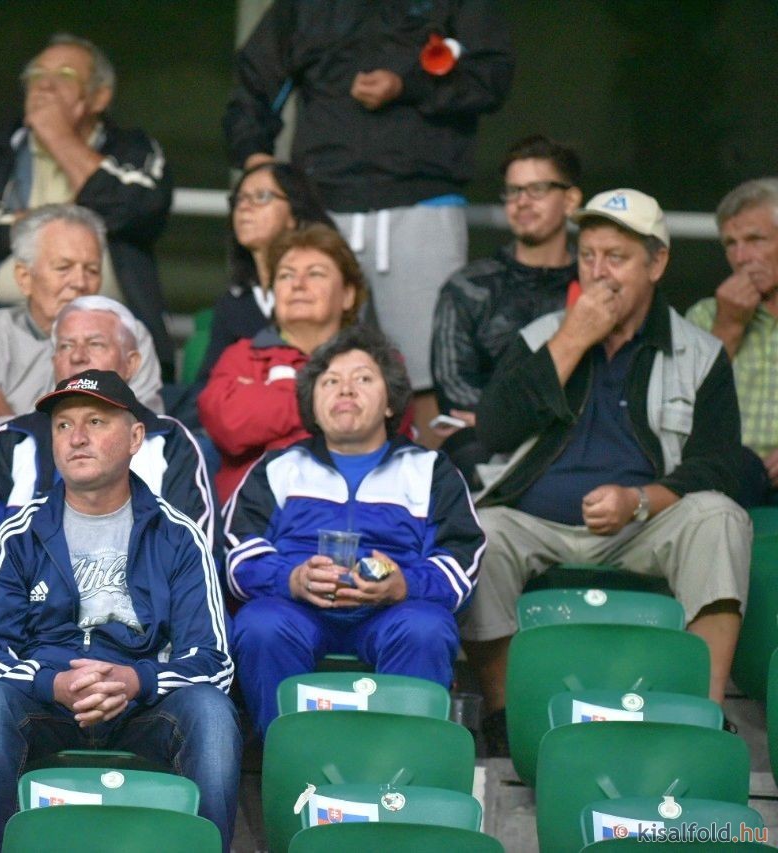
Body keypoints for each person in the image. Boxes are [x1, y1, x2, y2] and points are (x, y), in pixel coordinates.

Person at [461, 189, 751, 751]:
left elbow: (722, 465)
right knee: (481, 532)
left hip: (643, 525)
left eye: (616, 257)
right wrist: (573, 339)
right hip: (537, 521)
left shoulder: (699, 353)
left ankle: (703, 711)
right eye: (588, 255)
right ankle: (505, 713)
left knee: (720, 518)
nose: (598, 272)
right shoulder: (542, 337)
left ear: (656, 264)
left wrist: (639, 501)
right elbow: (493, 430)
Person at [0, 370, 238, 852]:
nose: (77, 437)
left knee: (212, 713)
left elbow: (213, 661)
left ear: (135, 438)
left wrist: (136, 681)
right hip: (45, 703)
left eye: (95, 422)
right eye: (63, 425)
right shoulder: (18, 534)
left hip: (145, 706)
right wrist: (52, 684)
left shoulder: (178, 535)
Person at [224, 0, 514, 442]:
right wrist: (256, 160)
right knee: (312, 371)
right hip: (323, 206)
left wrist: (409, 85)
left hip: (424, 202)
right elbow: (254, 78)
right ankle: (310, 481)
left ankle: (432, 482)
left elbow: (492, 75)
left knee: (432, 378)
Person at [225, 325, 483, 735]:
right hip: (296, 607)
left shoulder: (430, 470)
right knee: (260, 626)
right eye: (330, 381)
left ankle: (401, 764)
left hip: (396, 609)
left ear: (390, 403)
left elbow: (460, 560)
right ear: (313, 405)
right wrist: (292, 579)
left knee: (427, 629)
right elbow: (239, 553)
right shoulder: (278, 468)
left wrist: (404, 585)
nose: (345, 389)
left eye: (363, 379)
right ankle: (290, 754)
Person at [0, 33, 175, 369]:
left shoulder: (134, 150)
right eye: (37, 75)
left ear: (99, 96)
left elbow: (138, 210)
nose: (45, 85)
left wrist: (59, 137)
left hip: (104, 317)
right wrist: (33, 226)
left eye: (64, 75)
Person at [0, 298, 215, 569]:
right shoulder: (10, 438)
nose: (77, 356)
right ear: (54, 361)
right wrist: (29, 581)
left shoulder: (170, 441)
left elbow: (192, 553)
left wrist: (103, 583)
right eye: (66, 346)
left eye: (95, 344)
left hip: (140, 595)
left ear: (131, 363)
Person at [0, 204, 163, 470]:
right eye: (64, 267)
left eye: (92, 270)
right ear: (24, 278)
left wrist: (19, 425)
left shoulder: (128, 334)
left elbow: (146, 437)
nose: (80, 282)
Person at [429, 134, 582, 480]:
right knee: (460, 456)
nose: (521, 202)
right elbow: (456, 393)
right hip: (490, 445)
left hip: (580, 436)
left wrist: (504, 416)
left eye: (537, 189)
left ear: (570, 200)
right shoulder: (468, 287)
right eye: (513, 191)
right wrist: (511, 422)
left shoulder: (594, 287)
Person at [199, 223, 367, 499]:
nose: (298, 284)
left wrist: (265, 403)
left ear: (348, 295)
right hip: (251, 516)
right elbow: (229, 425)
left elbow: (370, 436)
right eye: (286, 275)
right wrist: (329, 400)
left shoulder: (376, 361)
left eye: (315, 273)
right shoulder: (241, 355)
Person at [200, 161, 338, 385]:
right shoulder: (233, 304)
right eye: (239, 199)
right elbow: (207, 387)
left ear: (294, 213)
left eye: (262, 196)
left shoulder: (323, 287)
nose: (245, 207)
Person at [686, 177, 778, 506]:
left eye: (755, 240)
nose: (741, 257)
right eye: (730, 243)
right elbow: (680, 411)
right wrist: (728, 325)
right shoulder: (705, 315)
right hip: (730, 479)